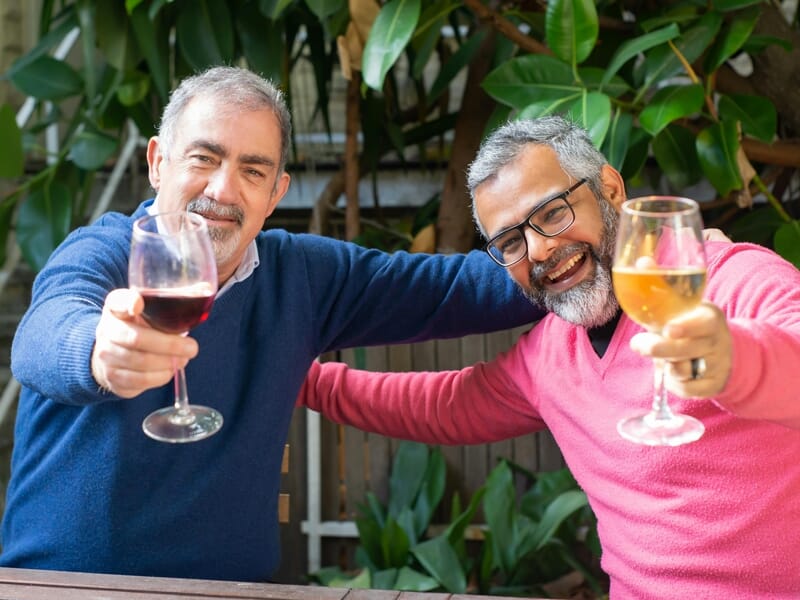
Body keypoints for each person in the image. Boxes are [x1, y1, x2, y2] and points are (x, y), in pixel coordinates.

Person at [2, 66, 547, 581]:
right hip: (67, 585)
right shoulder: (98, 253)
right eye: (203, 158)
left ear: (275, 193)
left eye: (252, 170)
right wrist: (97, 351)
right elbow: (41, 337)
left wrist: (590, 258)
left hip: (239, 590)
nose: (222, 189)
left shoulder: (302, 276)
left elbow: (458, 290)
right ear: (157, 162)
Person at [299, 116, 800, 598]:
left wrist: (733, 358)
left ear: (610, 188)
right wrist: (303, 381)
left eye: (554, 212)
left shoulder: (732, 279)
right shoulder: (550, 354)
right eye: (511, 242)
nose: (538, 249)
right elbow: (444, 405)